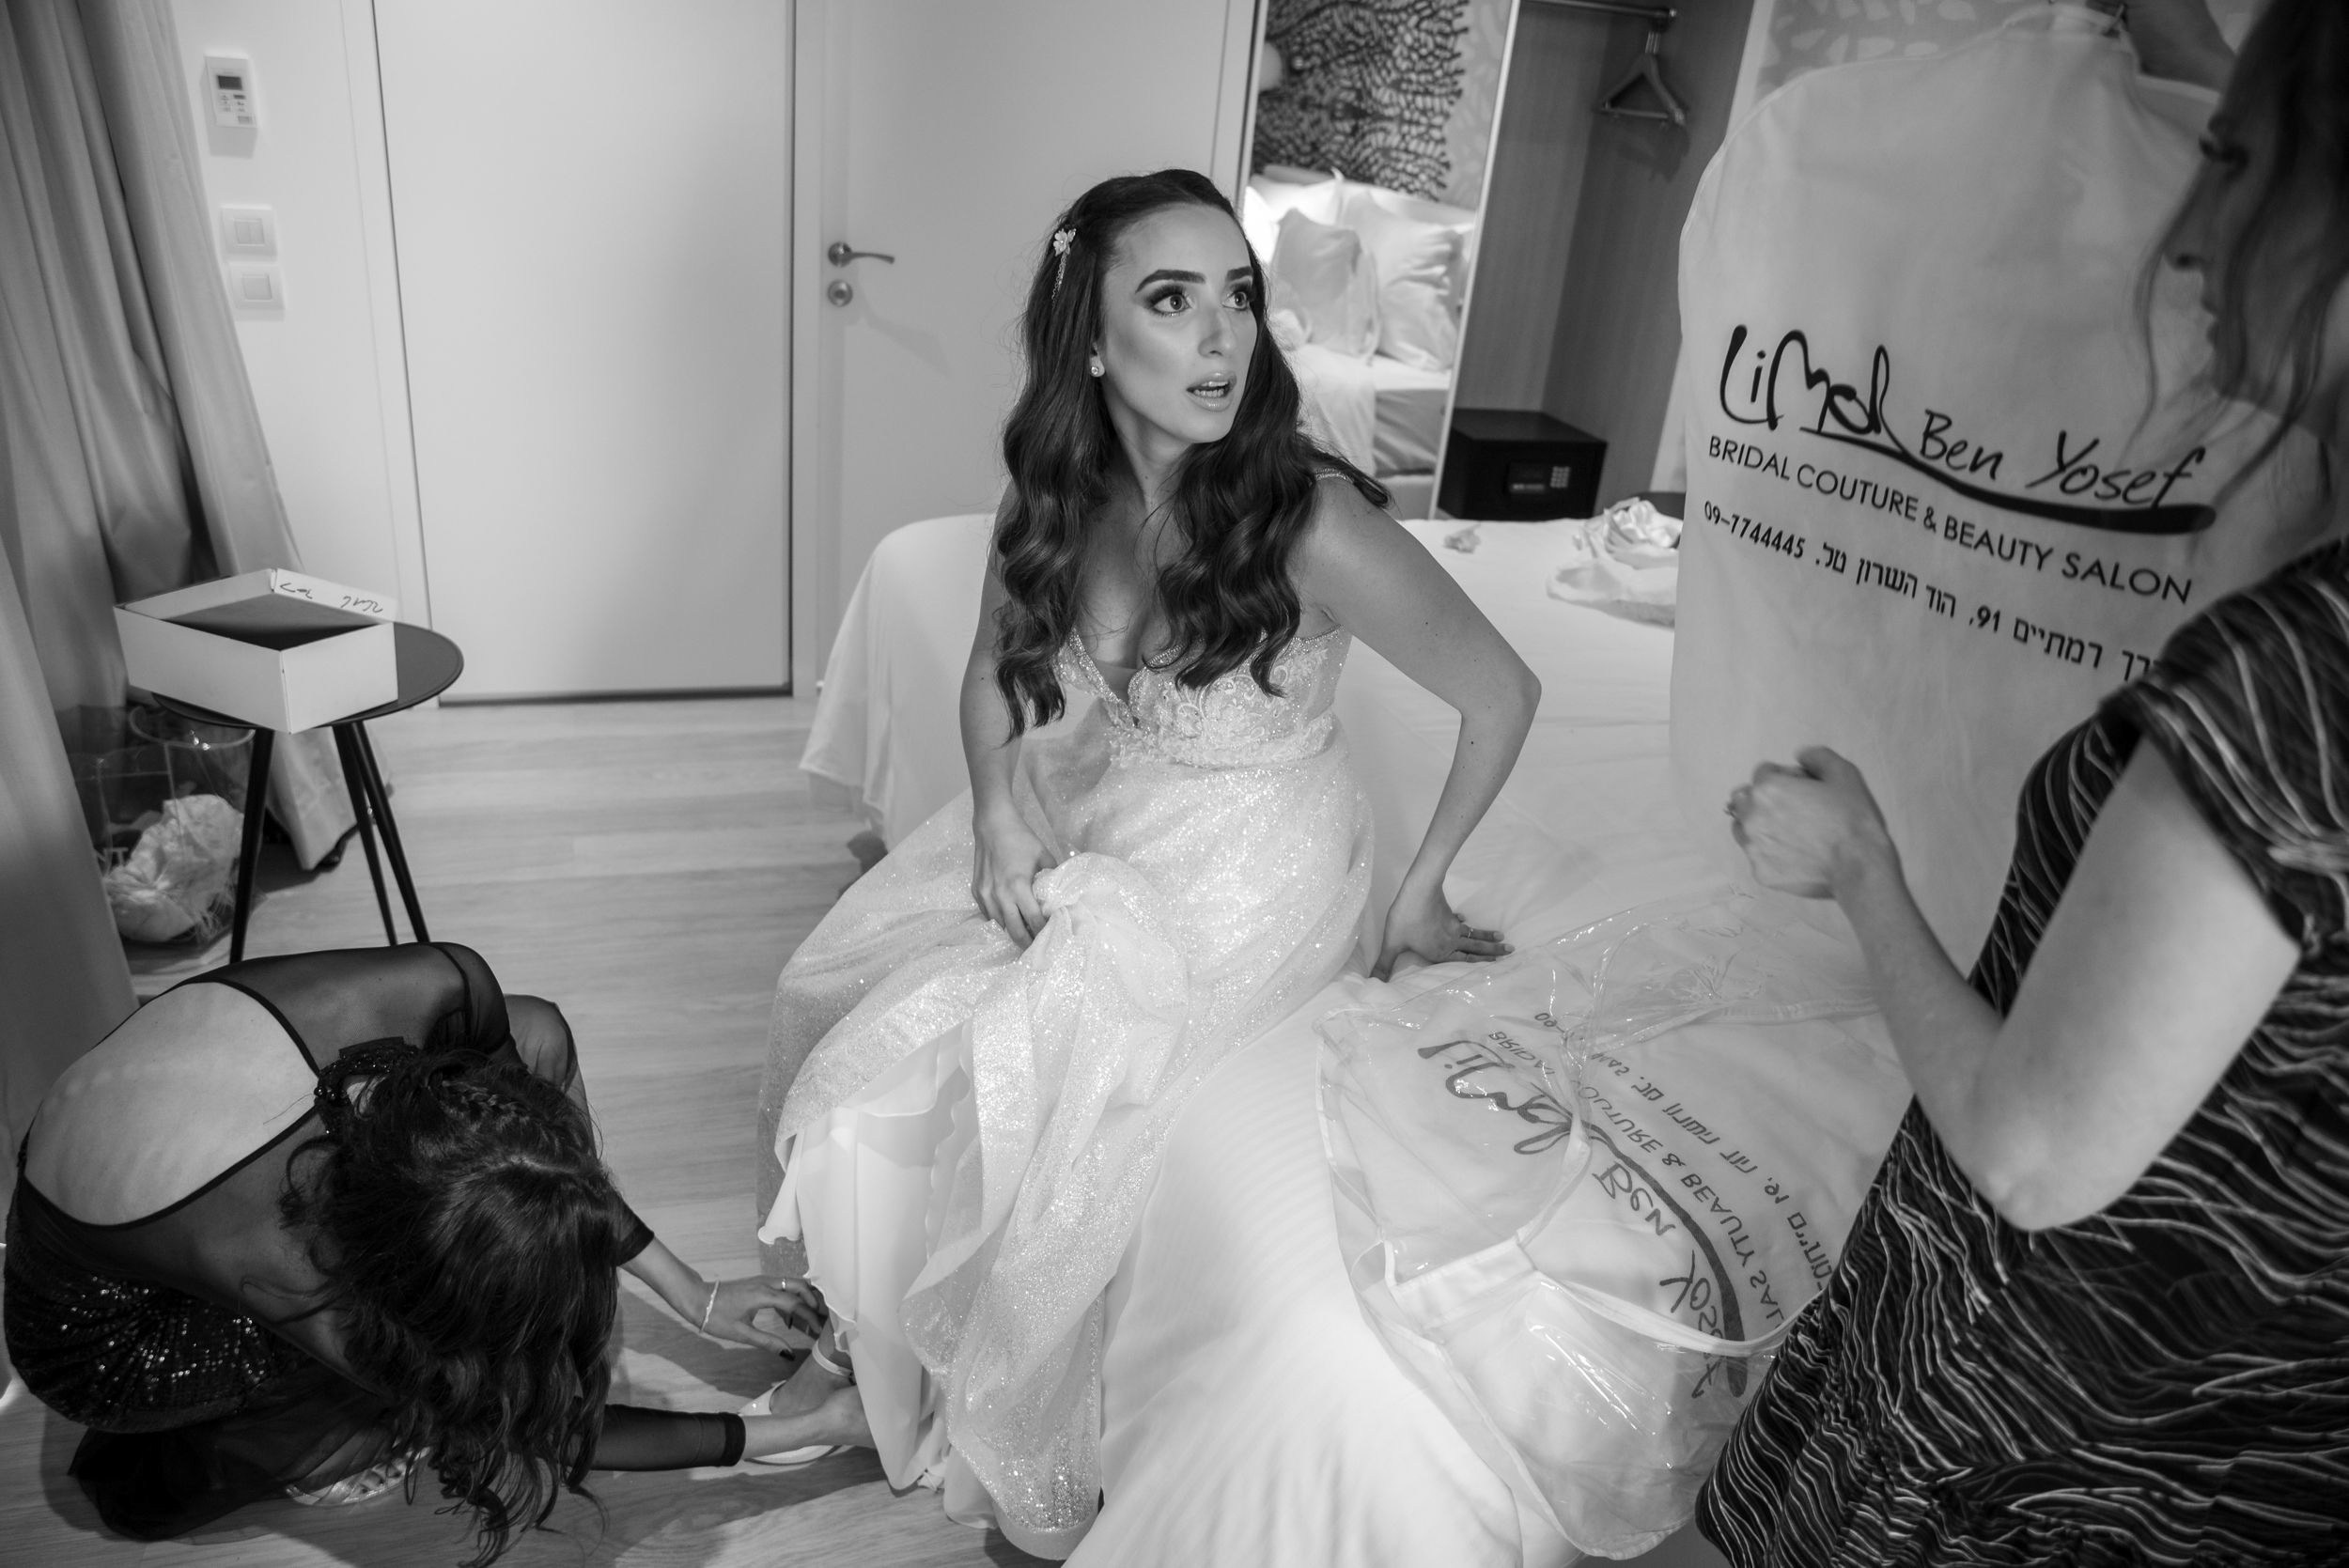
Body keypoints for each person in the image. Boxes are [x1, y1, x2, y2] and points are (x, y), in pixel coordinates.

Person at [753, 167, 1540, 1555]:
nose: (1223, 337)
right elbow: (993, 668)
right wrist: (994, 807)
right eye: (1172, 300)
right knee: (870, 992)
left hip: (1260, 856)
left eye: (1237, 294)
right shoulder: (1060, 491)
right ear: (1095, 340)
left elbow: (1502, 693)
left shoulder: (1307, 519)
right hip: (1114, 807)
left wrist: (1418, 892)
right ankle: (865, 1355)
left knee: (1043, 1059)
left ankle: (916, 1383)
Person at [1703, 2, 2349, 1560]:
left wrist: (1861, 861)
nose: (2183, 236)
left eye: (2235, 166)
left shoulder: (2293, 678)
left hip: (2054, 1407)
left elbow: (2032, 1152)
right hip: (2238, 1395)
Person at [5, 942, 865, 1564]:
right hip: (105, 1332)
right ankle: (301, 1443)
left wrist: (697, 1294)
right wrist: (808, 1427)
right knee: (401, 1392)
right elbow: (537, 1423)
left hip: (156, 1159)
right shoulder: (285, 1269)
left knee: (536, 1030)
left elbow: (540, 1164)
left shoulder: (444, 984)